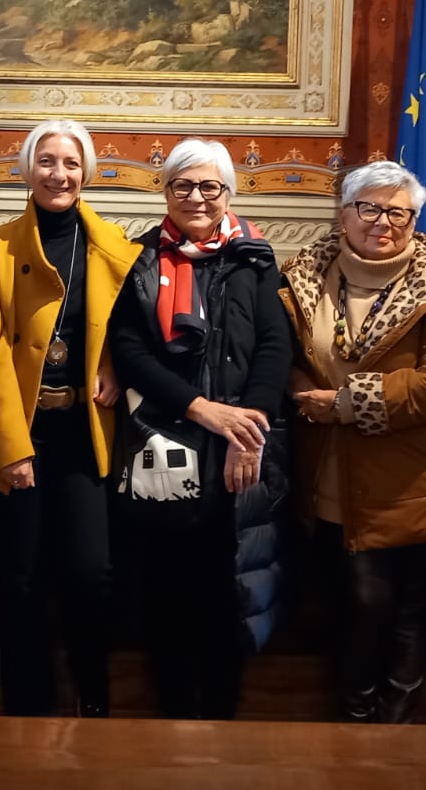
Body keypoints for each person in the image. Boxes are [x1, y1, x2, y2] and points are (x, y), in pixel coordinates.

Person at [0, 119, 141, 718]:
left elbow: (132, 330)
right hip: (18, 434)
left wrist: (114, 365)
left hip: (85, 431)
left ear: (87, 172)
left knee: (92, 574)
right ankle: (25, 711)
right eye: (47, 161)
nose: (60, 174)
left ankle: (93, 703)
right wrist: (12, 445)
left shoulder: (117, 246)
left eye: (72, 163)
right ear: (27, 170)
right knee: (22, 577)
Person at [279, 160, 426, 723]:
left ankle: (390, 730)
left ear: (414, 220)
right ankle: (356, 721)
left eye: (398, 213)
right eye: (369, 208)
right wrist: (296, 384)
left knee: (402, 611)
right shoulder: (302, 274)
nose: (382, 222)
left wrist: (346, 403)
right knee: (350, 605)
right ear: (344, 214)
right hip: (329, 472)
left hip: (412, 475)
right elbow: (286, 353)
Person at [107, 139, 293, 719]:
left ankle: (221, 719)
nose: (196, 197)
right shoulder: (138, 259)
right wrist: (201, 409)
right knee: (166, 590)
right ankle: (172, 717)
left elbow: (274, 347)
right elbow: (131, 353)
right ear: (165, 192)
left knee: (227, 588)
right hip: (165, 447)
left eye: (209, 186)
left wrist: (247, 433)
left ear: (227, 194)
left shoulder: (254, 259)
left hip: (240, 450)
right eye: (182, 185)